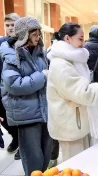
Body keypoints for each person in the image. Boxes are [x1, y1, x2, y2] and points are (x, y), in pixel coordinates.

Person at [46, 23, 98, 161]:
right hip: (70, 126)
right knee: (75, 166)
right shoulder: (62, 66)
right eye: (80, 38)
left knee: (83, 162)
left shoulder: (73, 59)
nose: (83, 43)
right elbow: (86, 94)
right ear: (67, 38)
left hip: (78, 121)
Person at [1, 17, 52, 176]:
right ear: (24, 35)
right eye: (34, 34)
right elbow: (14, 84)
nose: (38, 38)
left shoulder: (39, 53)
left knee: (46, 155)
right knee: (32, 158)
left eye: (39, 34)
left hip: (45, 111)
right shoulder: (11, 55)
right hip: (26, 114)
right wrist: (42, 76)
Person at [0, 12, 21, 160]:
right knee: (4, 116)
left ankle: (22, 143)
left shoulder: (24, 43)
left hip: (20, 85)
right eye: (7, 25)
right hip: (3, 85)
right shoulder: (1, 43)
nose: (10, 28)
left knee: (21, 117)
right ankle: (15, 137)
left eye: (13, 25)